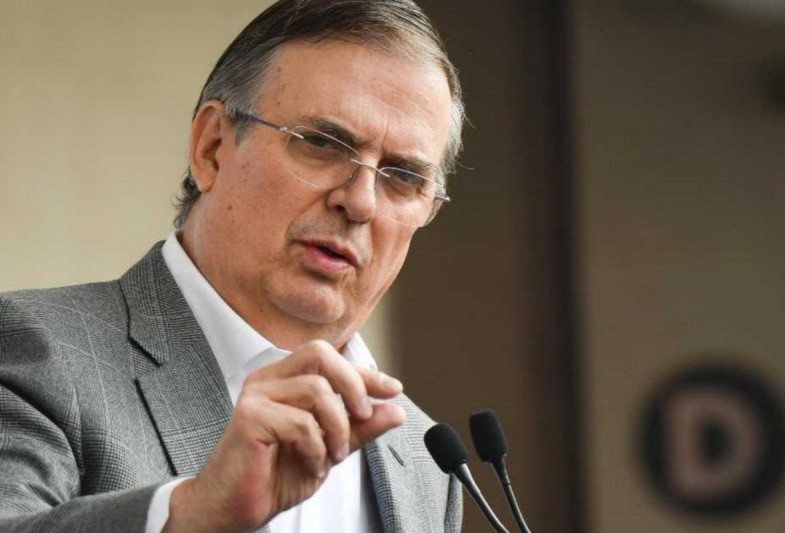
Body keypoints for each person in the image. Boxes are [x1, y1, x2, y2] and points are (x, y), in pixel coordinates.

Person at [0, 0, 466, 531]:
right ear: (213, 147)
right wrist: (194, 514)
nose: (360, 203)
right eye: (322, 144)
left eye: (403, 177)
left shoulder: (426, 457)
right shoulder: (35, 352)